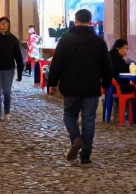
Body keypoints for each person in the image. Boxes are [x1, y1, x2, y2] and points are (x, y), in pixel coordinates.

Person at [47, 8, 112, 164]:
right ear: (90, 22)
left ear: (75, 20)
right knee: (89, 120)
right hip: (91, 87)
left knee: (69, 115)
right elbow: (106, 65)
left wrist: (52, 83)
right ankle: (86, 156)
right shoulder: (99, 41)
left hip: (70, 86)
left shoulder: (66, 39)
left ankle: (76, 138)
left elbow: (56, 63)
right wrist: (107, 83)